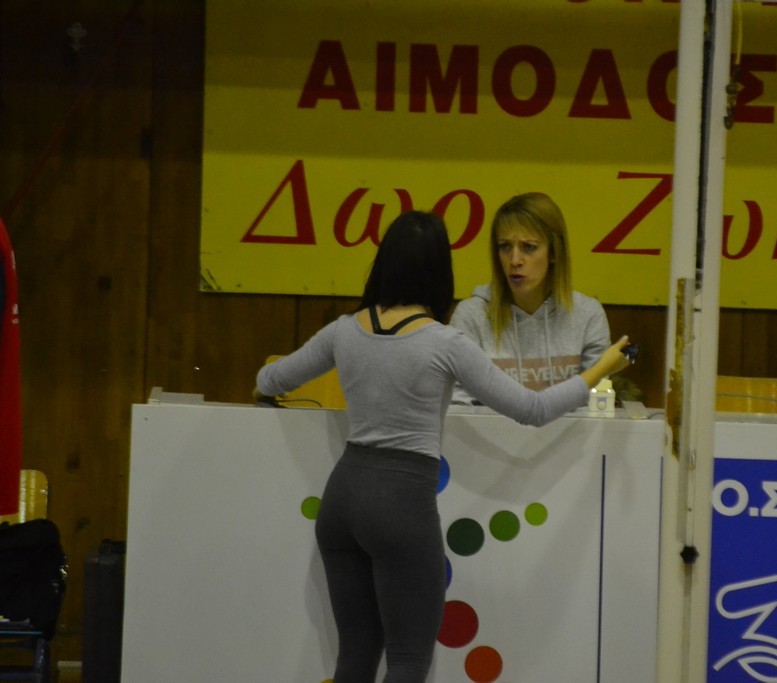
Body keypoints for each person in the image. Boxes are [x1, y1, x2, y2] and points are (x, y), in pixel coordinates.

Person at [254, 210, 631, 683]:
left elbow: (269, 380)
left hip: (341, 500)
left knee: (354, 656)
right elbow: (531, 410)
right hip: (401, 506)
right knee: (408, 662)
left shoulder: (344, 330)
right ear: (439, 272)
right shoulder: (445, 343)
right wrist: (601, 369)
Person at [449, 192, 610, 404]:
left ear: (554, 252)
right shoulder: (472, 316)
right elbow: (458, 404)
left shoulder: (588, 316)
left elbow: (596, 403)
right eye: (505, 246)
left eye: (529, 247)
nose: (515, 260)